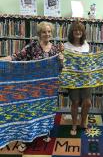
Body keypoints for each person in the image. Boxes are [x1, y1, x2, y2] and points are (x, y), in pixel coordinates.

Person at [0, 21, 64, 151]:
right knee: (29, 111)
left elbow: (60, 69)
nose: (47, 34)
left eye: (49, 31)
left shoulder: (55, 49)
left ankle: (45, 132)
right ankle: (26, 139)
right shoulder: (32, 46)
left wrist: (61, 60)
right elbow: (17, 56)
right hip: (32, 87)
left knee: (45, 111)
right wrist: (2, 60)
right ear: (39, 33)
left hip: (48, 89)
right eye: (44, 32)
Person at [64, 21, 91, 136]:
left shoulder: (86, 45)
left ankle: (83, 122)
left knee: (87, 102)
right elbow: (65, 62)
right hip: (72, 78)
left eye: (80, 30)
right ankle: (74, 124)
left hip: (85, 78)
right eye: (75, 30)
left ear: (83, 32)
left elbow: (88, 61)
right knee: (75, 102)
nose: (78, 32)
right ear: (72, 32)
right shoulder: (66, 45)